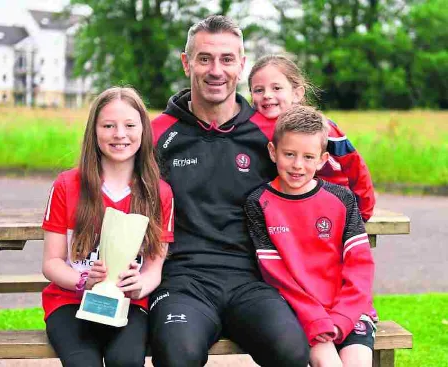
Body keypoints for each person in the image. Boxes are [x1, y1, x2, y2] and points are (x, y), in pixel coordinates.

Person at [149, 15, 309, 367]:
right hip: (181, 280)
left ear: (241, 64)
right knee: (178, 355)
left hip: (252, 280)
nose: (215, 70)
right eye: (204, 58)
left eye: (226, 59)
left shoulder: (271, 134)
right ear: (186, 62)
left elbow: (321, 187)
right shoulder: (155, 133)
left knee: (292, 352)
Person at [41, 87, 174, 367]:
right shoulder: (67, 185)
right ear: (94, 131)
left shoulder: (159, 193)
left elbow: (154, 269)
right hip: (69, 301)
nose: (119, 134)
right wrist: (82, 281)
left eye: (129, 125)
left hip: (129, 304)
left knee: (125, 361)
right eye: (108, 126)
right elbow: (52, 262)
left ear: (143, 131)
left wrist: (140, 285)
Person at [245, 105, 376, 367]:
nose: (297, 165)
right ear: (273, 152)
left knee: (359, 362)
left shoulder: (342, 199)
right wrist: (316, 318)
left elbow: (360, 266)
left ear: (322, 159)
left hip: (349, 310)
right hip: (301, 313)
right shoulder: (259, 203)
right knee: (326, 362)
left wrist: (341, 317)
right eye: (289, 154)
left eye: (308, 157)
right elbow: (276, 275)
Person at [248, 54, 376, 222]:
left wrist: (362, 211)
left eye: (277, 88)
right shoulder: (249, 129)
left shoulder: (321, 128)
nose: (267, 95)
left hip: (332, 207)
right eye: (259, 90)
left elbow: (355, 166)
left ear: (297, 93)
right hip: (285, 210)